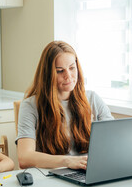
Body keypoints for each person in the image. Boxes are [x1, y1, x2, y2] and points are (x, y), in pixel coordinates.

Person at [16, 41, 113, 170]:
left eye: (72, 68)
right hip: (52, 176)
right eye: (60, 71)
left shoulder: (92, 99)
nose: (68, 76)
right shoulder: (30, 106)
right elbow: (25, 158)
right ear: (47, 75)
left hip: (89, 171)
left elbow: (114, 141)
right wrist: (68, 161)